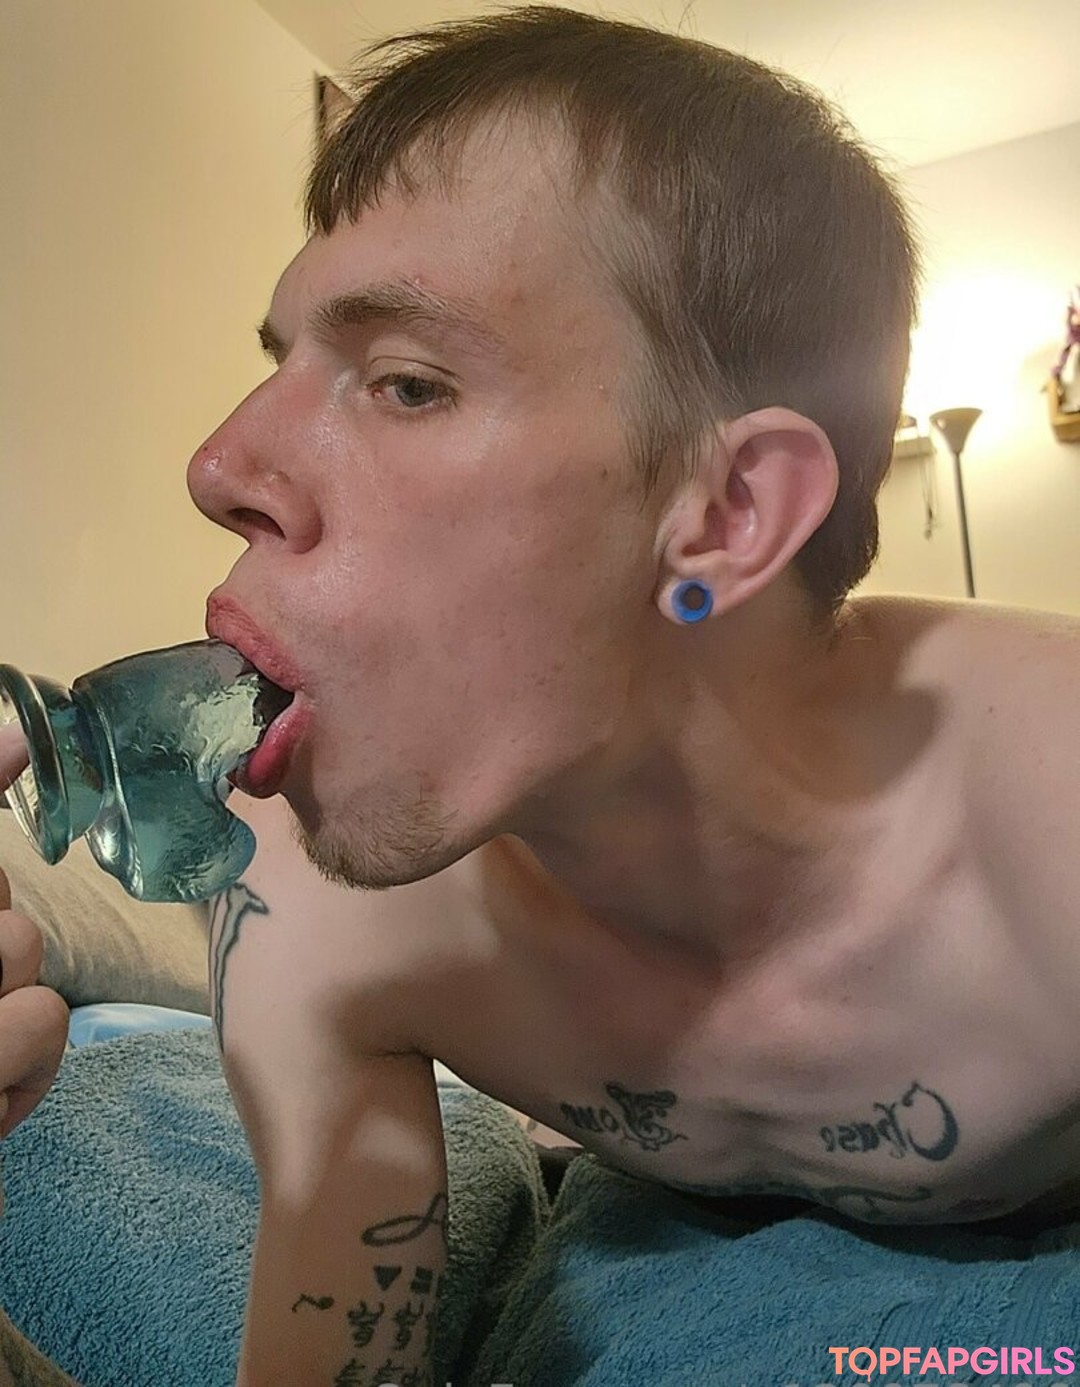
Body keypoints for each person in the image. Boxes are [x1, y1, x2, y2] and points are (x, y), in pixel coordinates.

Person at [5, 6, 1080, 1384]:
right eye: (281, 364)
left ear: (729, 513)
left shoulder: (1047, 807)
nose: (217, 468)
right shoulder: (311, 913)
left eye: (406, 383)